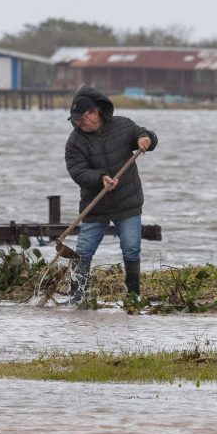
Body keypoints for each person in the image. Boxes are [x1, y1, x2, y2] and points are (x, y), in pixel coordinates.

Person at [64, 86, 157, 304]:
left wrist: (146, 139)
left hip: (127, 201)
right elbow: (77, 171)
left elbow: (144, 135)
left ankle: (133, 297)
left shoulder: (123, 125)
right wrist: (100, 179)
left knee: (131, 248)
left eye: (82, 118)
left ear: (95, 112)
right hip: (95, 204)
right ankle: (76, 298)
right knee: (83, 251)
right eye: (75, 119)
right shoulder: (74, 142)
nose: (79, 123)